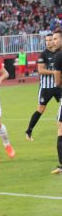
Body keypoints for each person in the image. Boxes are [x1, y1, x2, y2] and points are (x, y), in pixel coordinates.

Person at [25, 33, 61, 141]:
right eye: (47, 40)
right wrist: (55, 72)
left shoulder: (60, 53)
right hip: (46, 87)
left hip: (59, 86)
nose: (49, 42)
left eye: (51, 40)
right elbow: (40, 70)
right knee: (41, 109)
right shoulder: (44, 54)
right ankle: (29, 131)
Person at [49, 31, 62, 174]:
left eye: (56, 39)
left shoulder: (58, 56)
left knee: (60, 129)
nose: (53, 41)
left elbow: (58, 81)